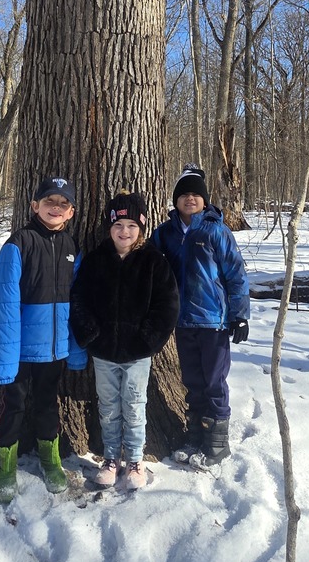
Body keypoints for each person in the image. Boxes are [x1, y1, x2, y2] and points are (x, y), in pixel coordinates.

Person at [70, 191, 179, 490]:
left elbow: (167, 305)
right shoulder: (96, 260)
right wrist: (90, 334)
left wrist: (147, 340)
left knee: (134, 405)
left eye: (132, 226)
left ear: (141, 228)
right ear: (109, 227)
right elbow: (78, 299)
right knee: (108, 407)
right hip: (104, 352)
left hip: (137, 353)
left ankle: (134, 460)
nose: (124, 231)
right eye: (118, 225)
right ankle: (110, 458)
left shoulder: (153, 261)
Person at [0, 176, 85, 503]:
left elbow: (77, 302)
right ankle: (5, 464)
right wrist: (4, 361)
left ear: (71, 212)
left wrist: (75, 349)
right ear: (34, 206)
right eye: (49, 201)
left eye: (63, 203)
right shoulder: (19, 244)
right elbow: (3, 305)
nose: (55, 208)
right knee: (13, 406)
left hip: (54, 349)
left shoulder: (72, 248)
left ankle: (50, 459)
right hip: (19, 350)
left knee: (47, 405)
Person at [151, 165, 250, 470]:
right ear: (176, 200)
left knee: (214, 382)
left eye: (196, 194)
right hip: (182, 322)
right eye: (184, 194)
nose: (190, 199)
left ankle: (217, 443)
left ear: (205, 200)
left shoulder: (216, 231)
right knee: (192, 381)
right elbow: (149, 265)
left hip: (213, 321)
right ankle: (195, 436)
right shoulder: (165, 233)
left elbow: (236, 274)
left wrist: (239, 315)